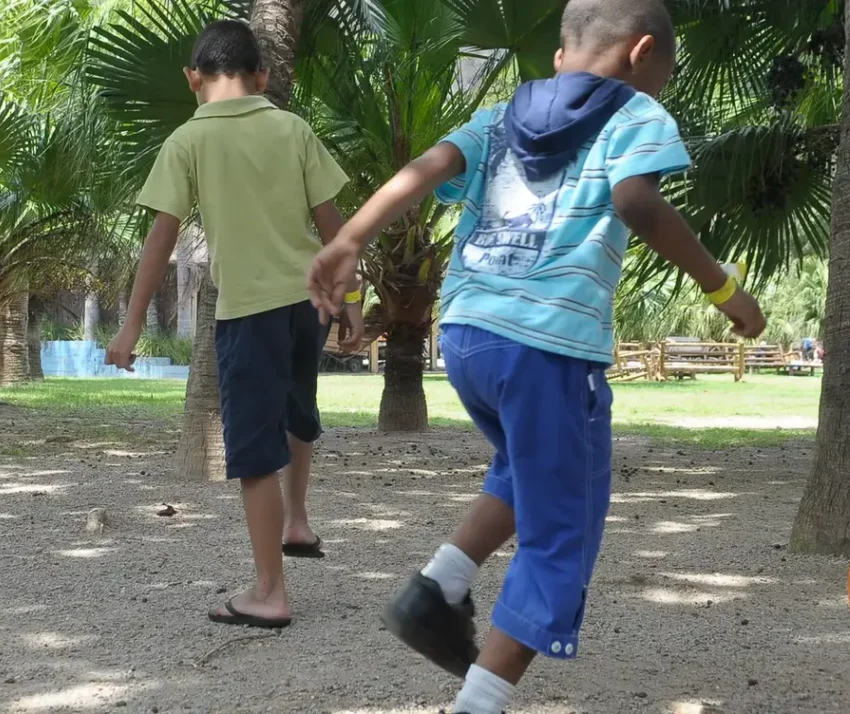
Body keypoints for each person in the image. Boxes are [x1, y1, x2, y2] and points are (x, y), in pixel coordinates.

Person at [308, 1, 766, 710]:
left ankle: (439, 587)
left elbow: (428, 167)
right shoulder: (636, 116)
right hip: (548, 347)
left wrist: (350, 240)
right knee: (564, 528)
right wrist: (725, 289)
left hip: (467, 337)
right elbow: (638, 203)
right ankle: (479, 702)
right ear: (643, 53)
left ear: (560, 54)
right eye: (666, 76)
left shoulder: (499, 116)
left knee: (528, 468)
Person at [105, 19, 363, 629]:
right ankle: (297, 521)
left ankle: (269, 592)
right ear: (263, 77)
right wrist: (350, 298)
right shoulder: (293, 128)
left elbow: (159, 238)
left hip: (250, 311)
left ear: (193, 78)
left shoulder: (187, 141)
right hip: (310, 304)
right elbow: (334, 225)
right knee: (299, 411)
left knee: (251, 453)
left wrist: (131, 325)